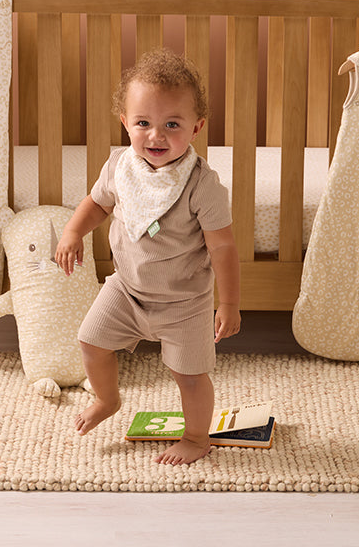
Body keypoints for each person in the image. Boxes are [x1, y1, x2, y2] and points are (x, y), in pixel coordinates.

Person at [54, 48, 241, 465]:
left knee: (189, 377)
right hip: (128, 290)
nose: (156, 136)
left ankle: (196, 437)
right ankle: (107, 399)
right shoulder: (120, 166)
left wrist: (227, 303)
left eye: (172, 125)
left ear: (197, 126)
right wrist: (72, 231)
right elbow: (97, 204)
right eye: (143, 123)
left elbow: (223, 247)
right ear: (125, 122)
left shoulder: (201, 185)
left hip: (185, 303)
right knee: (90, 340)